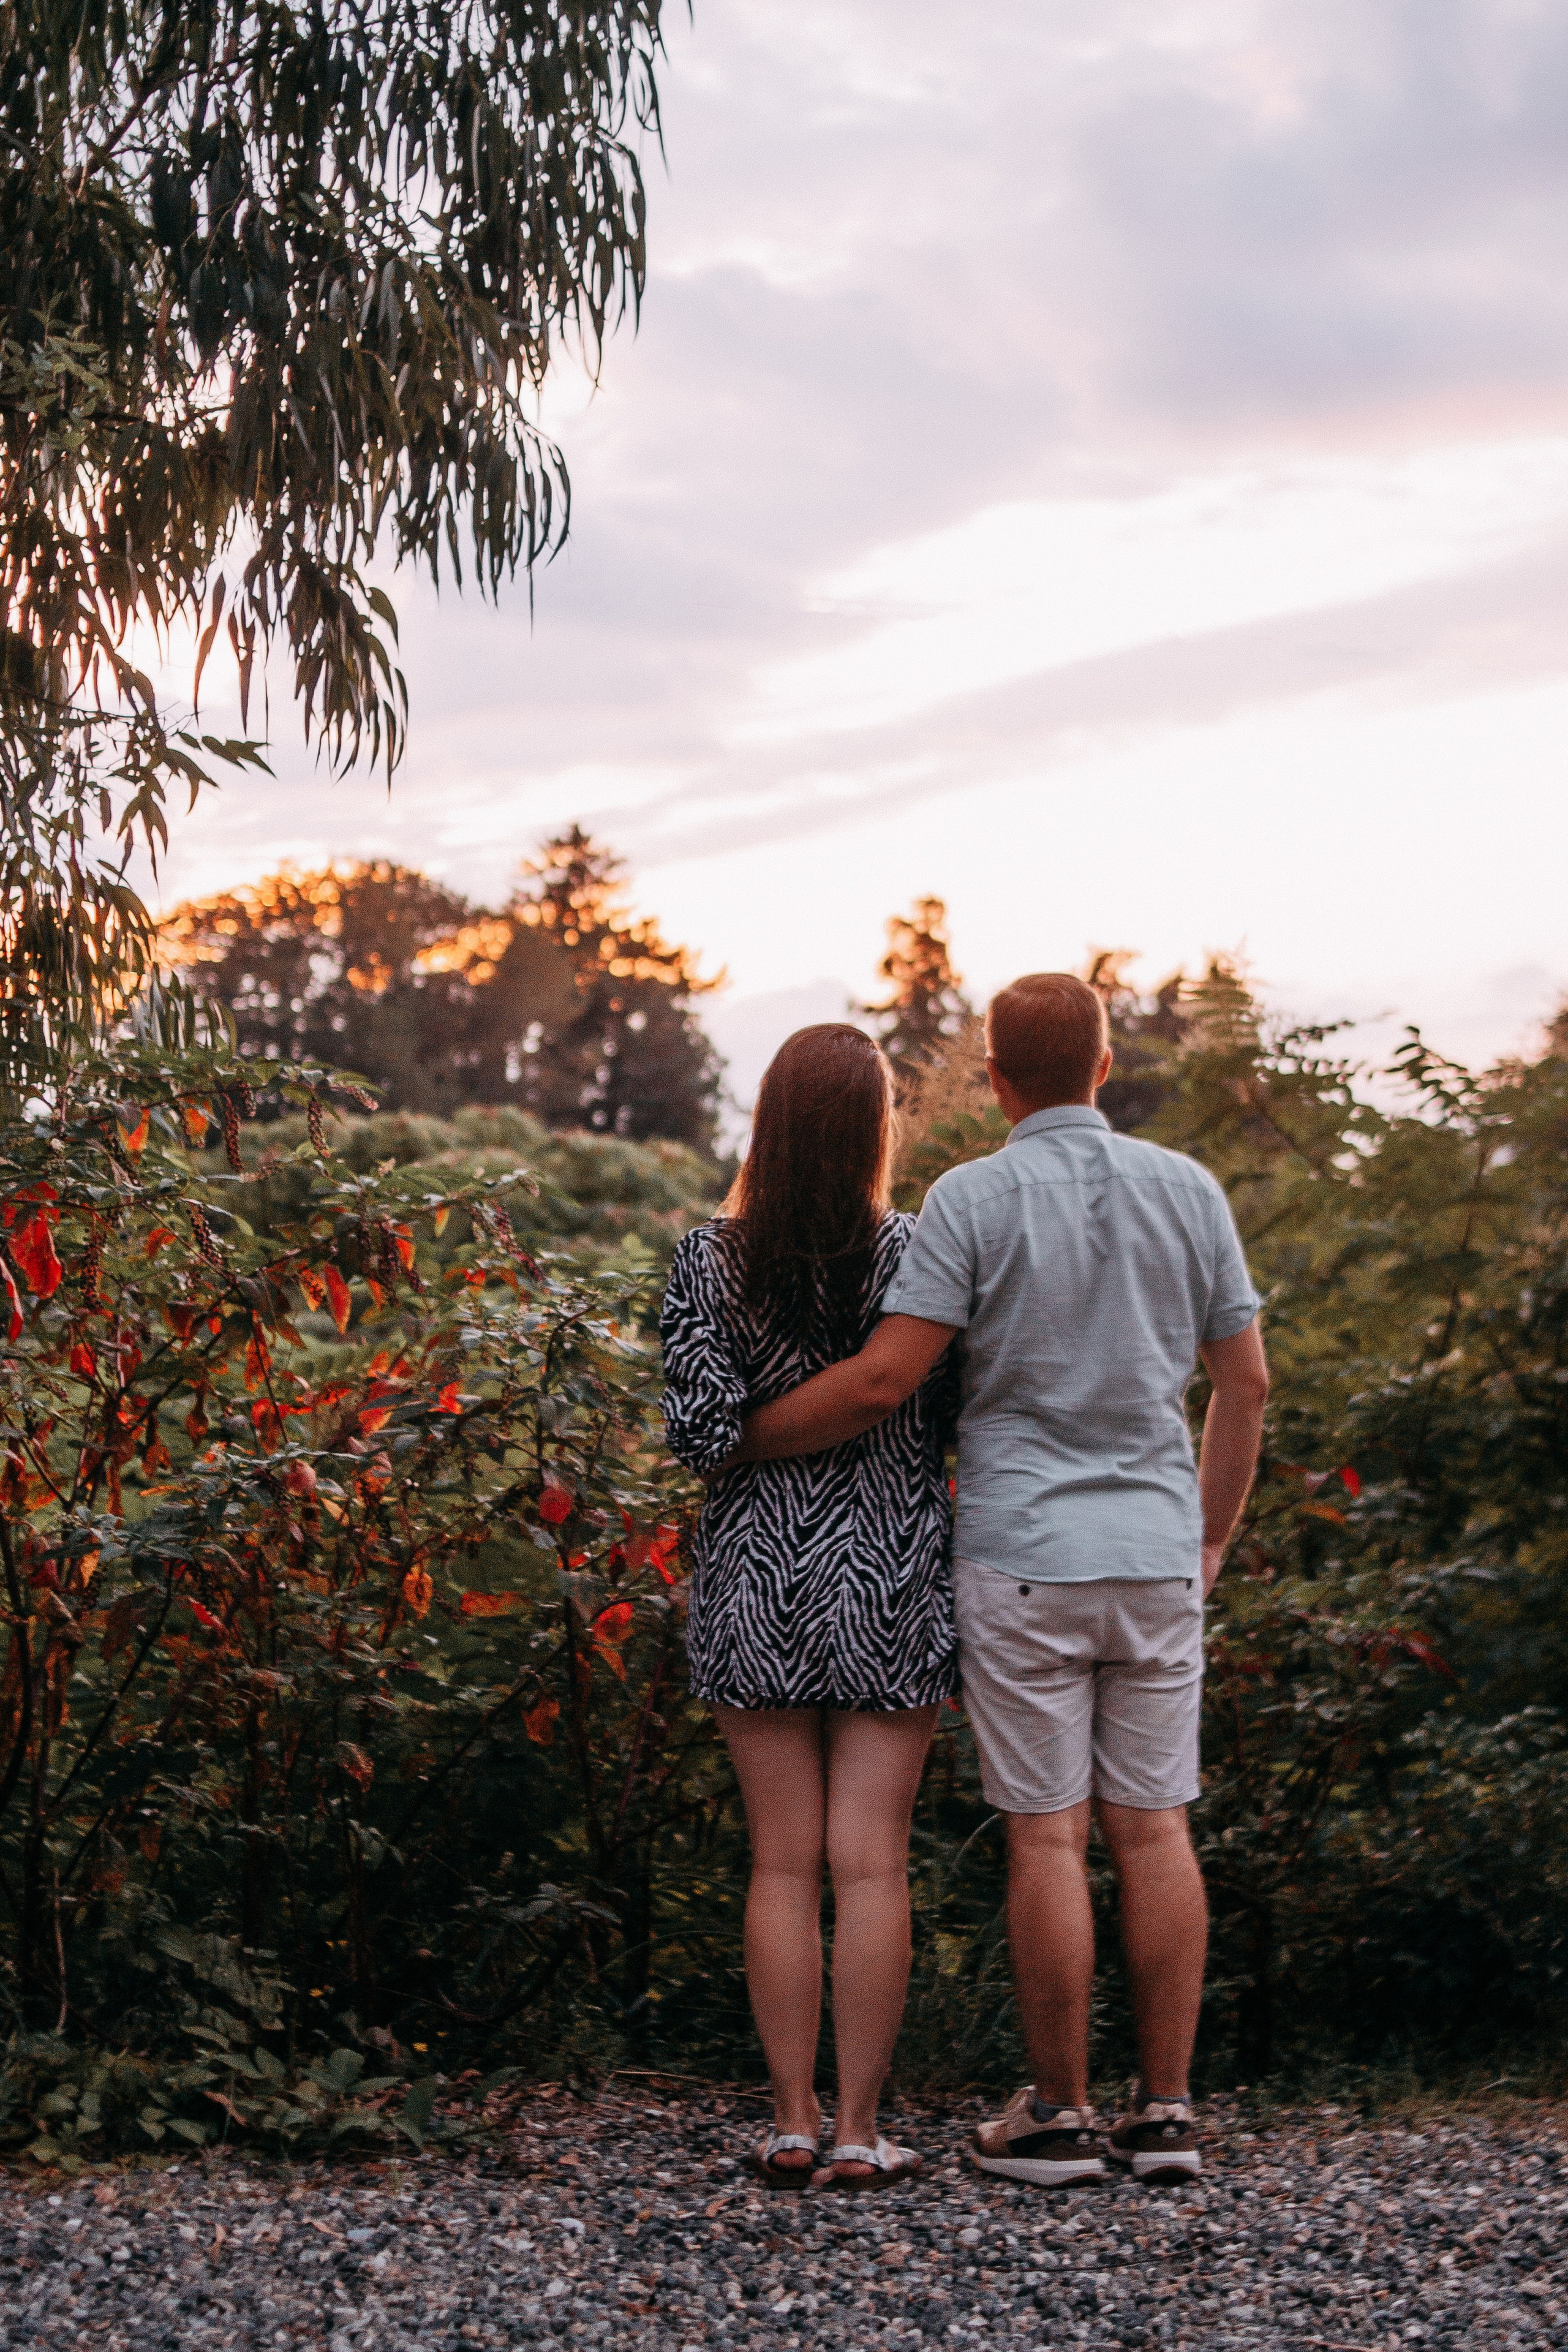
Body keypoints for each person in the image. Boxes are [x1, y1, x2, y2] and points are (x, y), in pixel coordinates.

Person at [729, 973, 1267, 2188]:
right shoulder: (1188, 1191)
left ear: (996, 1074)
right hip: (1152, 1553)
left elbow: (881, 1382)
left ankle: (1060, 2119)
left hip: (1023, 1555)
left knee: (1045, 1840)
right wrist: (1208, 1541)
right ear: (1105, 1061)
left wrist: (741, 1438)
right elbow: (1245, 1385)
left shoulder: (969, 1198)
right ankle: (1168, 2114)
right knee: (1154, 1829)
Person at [659, 1024, 960, 2192]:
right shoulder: (921, 1257)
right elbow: (952, 1417)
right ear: (879, 1127)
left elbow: (700, 1435)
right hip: (887, 1570)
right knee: (870, 1865)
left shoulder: (706, 1260)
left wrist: (758, 1443)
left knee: (782, 1864)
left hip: (754, 1576)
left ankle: (789, 2120)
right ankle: (860, 2130)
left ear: (769, 1120)